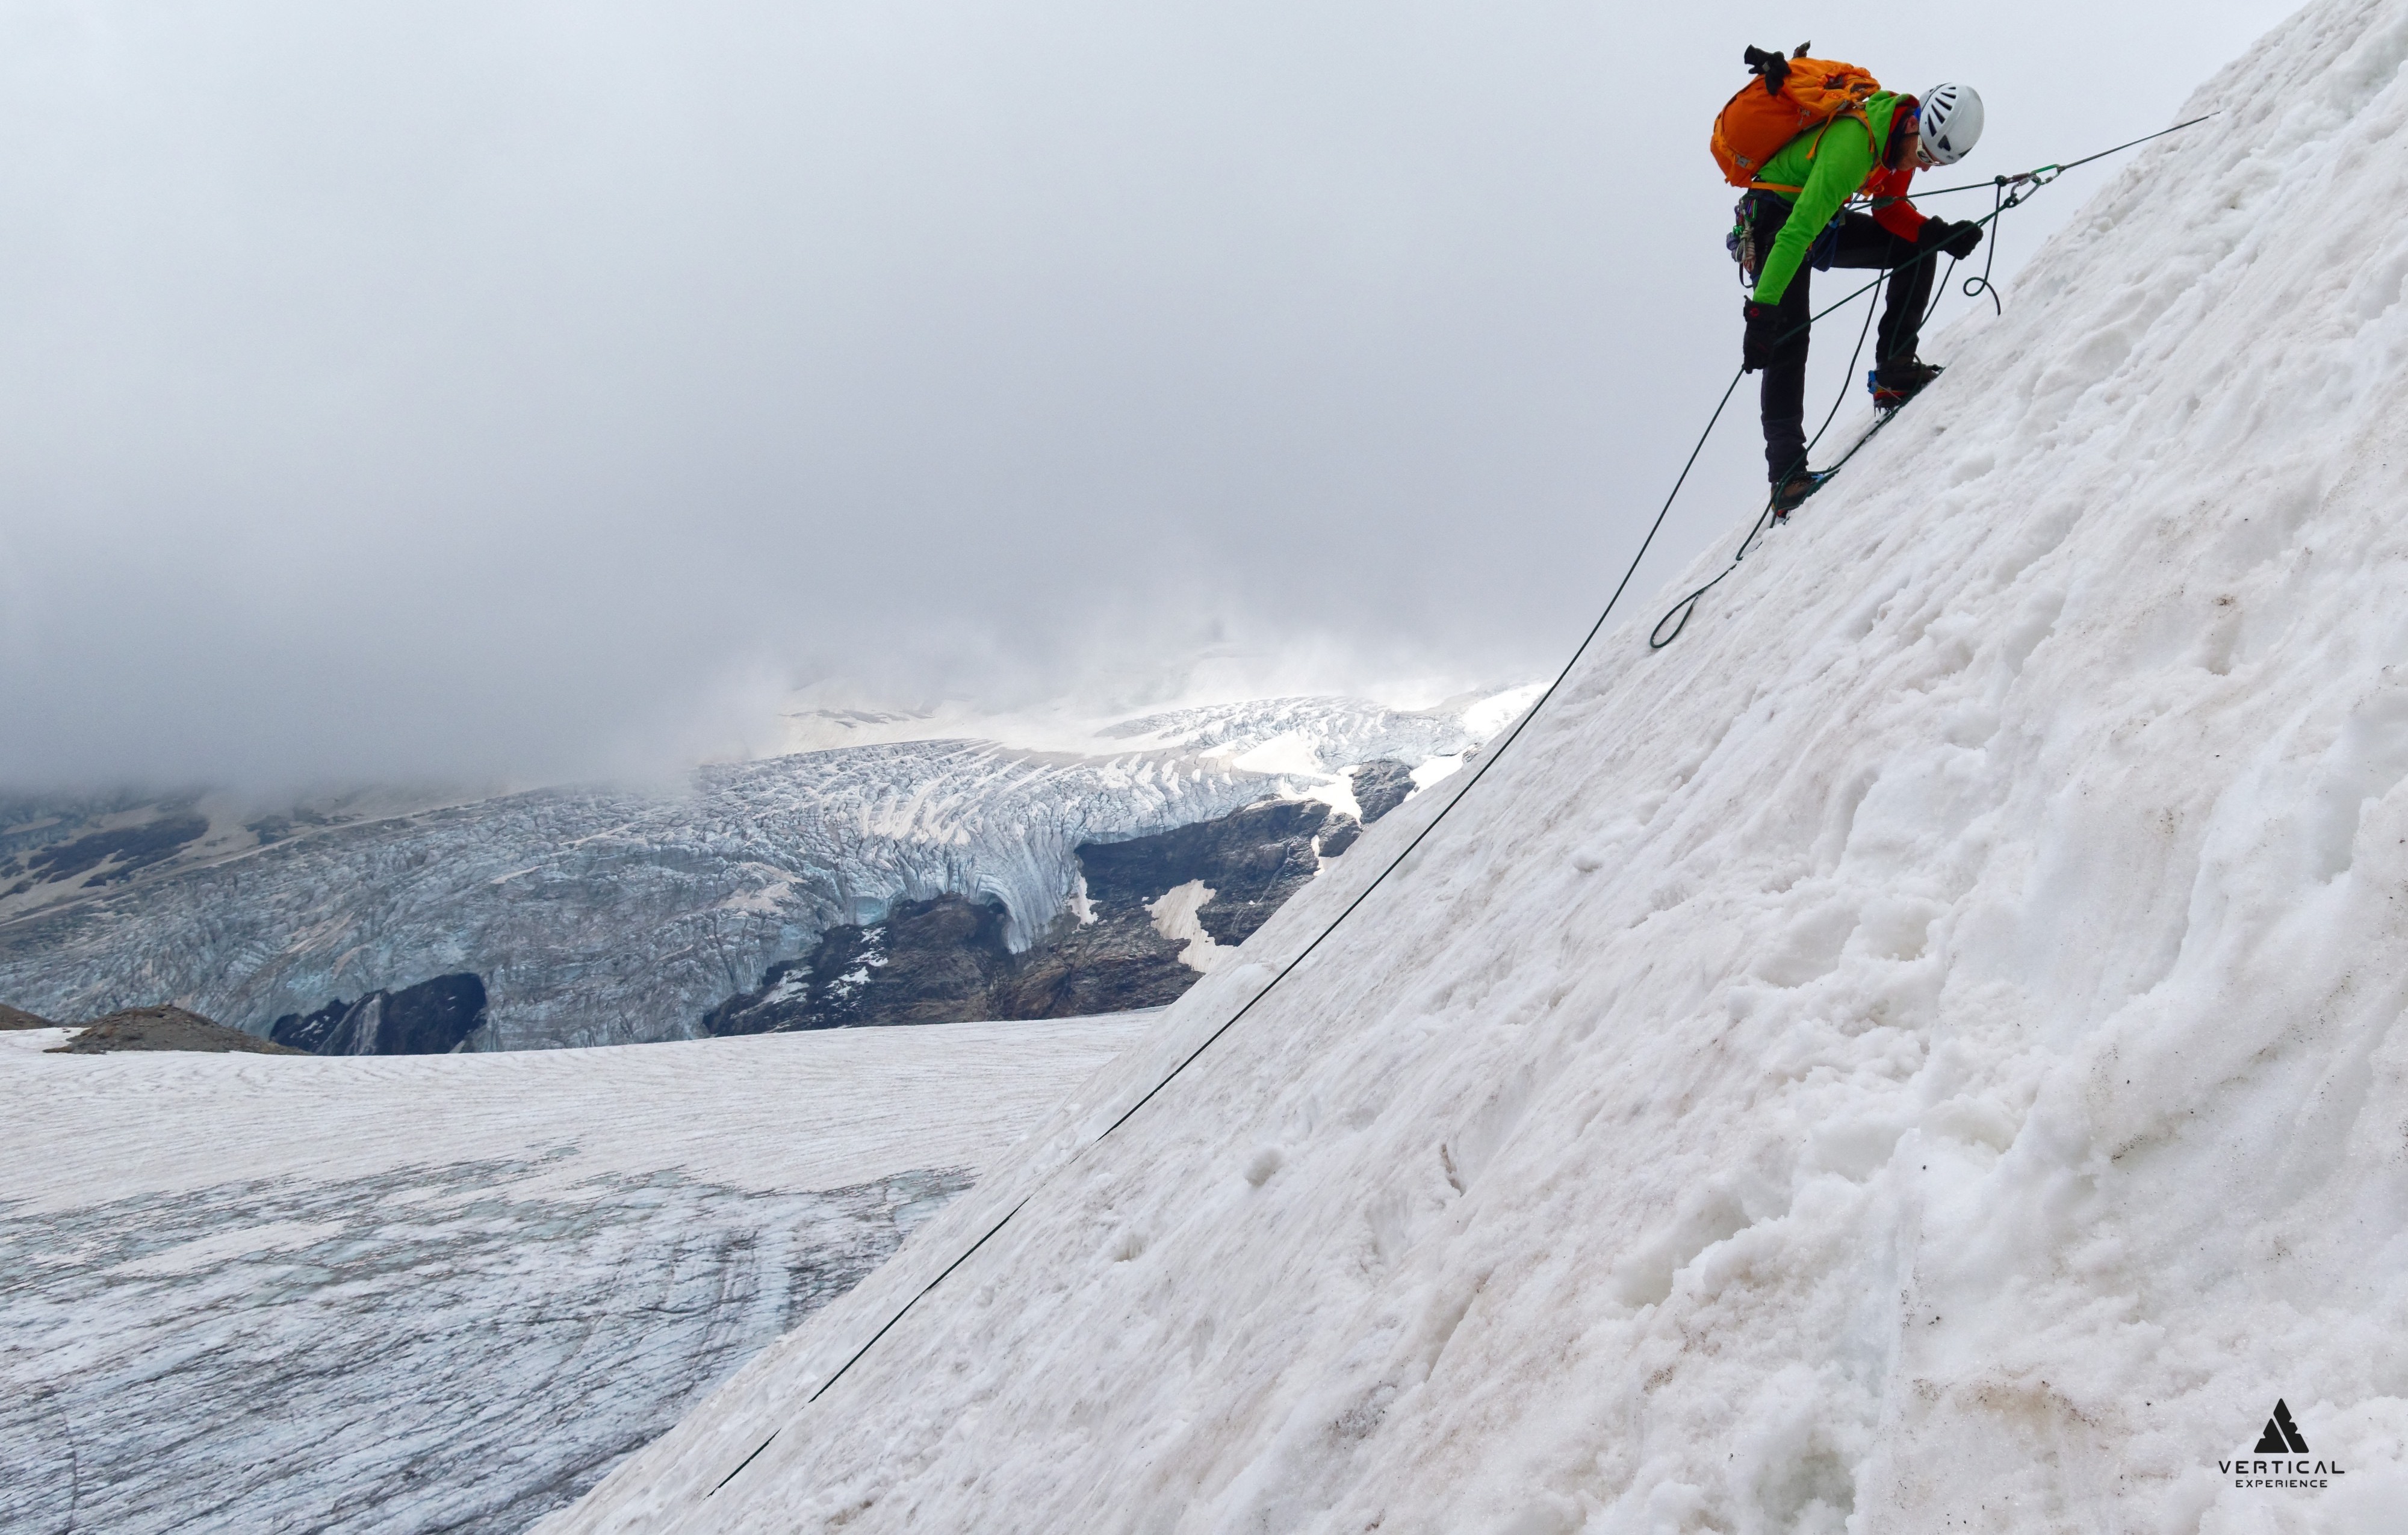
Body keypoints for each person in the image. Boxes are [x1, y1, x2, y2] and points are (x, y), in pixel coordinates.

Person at [1738, 80, 1987, 513]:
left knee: (1916, 248)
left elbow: (1888, 208)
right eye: (1925, 156)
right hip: (1776, 222)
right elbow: (1796, 233)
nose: (1924, 167)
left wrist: (1937, 235)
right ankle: (1786, 476)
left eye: (1935, 163)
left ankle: (1895, 370)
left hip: (1820, 222)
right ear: (1913, 125)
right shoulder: (1854, 147)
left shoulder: (1901, 141)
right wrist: (1762, 312)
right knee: (1788, 336)